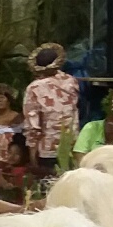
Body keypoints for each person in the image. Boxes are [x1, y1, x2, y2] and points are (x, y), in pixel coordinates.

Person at [22, 44, 80, 174]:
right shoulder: (72, 81)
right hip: (73, 145)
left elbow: (32, 125)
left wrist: (32, 153)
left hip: (48, 149)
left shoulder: (34, 87)